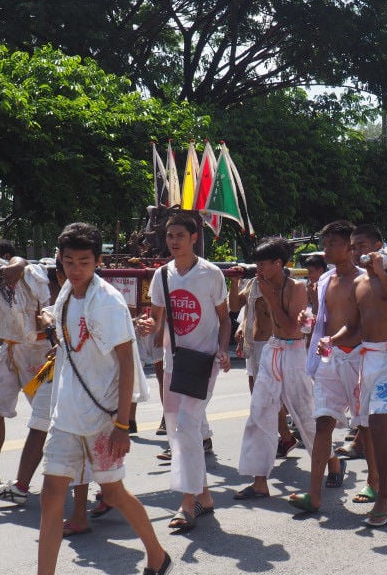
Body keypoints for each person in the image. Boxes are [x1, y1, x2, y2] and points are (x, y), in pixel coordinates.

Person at [37, 222, 171, 575]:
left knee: (113, 494)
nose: (76, 269)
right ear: (60, 261)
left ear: (98, 261)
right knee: (51, 495)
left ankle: (157, 555)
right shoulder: (67, 293)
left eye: (84, 261)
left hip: (103, 417)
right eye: (69, 262)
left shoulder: (108, 301)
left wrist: (122, 425)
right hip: (67, 412)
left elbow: (128, 364)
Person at [141, 212, 231, 532]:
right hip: (173, 363)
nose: (173, 241)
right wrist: (148, 327)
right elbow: (157, 319)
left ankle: (186, 504)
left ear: (194, 238)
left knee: (187, 428)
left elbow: (225, 319)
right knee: (180, 431)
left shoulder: (211, 275)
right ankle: (204, 496)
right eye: (169, 236)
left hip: (203, 362)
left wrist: (222, 349)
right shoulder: (162, 275)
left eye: (180, 235)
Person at [329, 224, 387, 527]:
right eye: (353, 247)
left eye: (363, 245)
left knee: (380, 422)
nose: (358, 252)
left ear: (378, 244)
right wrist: (332, 339)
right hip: (371, 358)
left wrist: (381, 274)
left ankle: (382, 497)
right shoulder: (359, 284)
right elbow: (352, 326)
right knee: (370, 427)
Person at [288, 221, 362, 513]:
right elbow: (320, 318)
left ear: (349, 247)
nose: (326, 248)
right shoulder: (325, 280)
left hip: (358, 358)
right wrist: (307, 323)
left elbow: (358, 324)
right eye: (325, 242)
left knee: (369, 426)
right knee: (323, 424)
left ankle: (379, 489)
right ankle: (314, 494)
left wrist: (333, 339)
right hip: (329, 360)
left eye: (333, 243)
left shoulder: (364, 281)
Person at [235, 237, 317, 499]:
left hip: (293, 352)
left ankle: (332, 462)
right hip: (271, 349)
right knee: (259, 413)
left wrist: (270, 296)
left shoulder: (296, 287)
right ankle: (259, 482)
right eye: (256, 263)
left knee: (304, 414)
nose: (258, 268)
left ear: (278, 263)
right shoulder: (259, 284)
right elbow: (235, 307)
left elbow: (292, 328)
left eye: (262, 263)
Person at [0, 240, 52, 496]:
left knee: (46, 417)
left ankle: (74, 474)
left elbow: (22, 264)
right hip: (9, 349)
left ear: (6, 256)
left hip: (39, 353)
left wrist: (15, 265)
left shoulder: (28, 271)